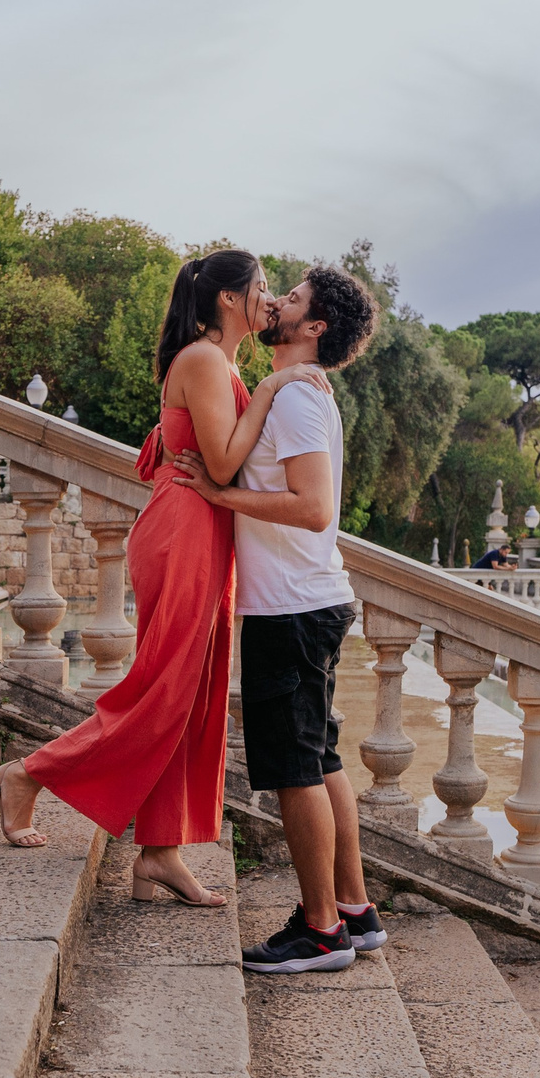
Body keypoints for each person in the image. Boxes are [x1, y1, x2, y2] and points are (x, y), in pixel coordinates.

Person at [0, 249, 326, 909]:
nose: (269, 296)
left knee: (195, 699)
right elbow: (220, 464)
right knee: (162, 691)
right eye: (260, 287)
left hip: (206, 532)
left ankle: (160, 854)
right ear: (228, 299)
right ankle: (28, 774)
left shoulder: (217, 366)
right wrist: (280, 387)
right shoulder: (202, 359)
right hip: (186, 529)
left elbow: (199, 446)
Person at [171, 266, 381, 973]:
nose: (277, 303)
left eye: (291, 300)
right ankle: (353, 907)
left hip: (290, 607)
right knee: (321, 760)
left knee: (297, 770)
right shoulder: (297, 393)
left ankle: (320, 930)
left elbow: (315, 507)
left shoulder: (296, 399)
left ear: (314, 328)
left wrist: (223, 499)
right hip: (310, 600)